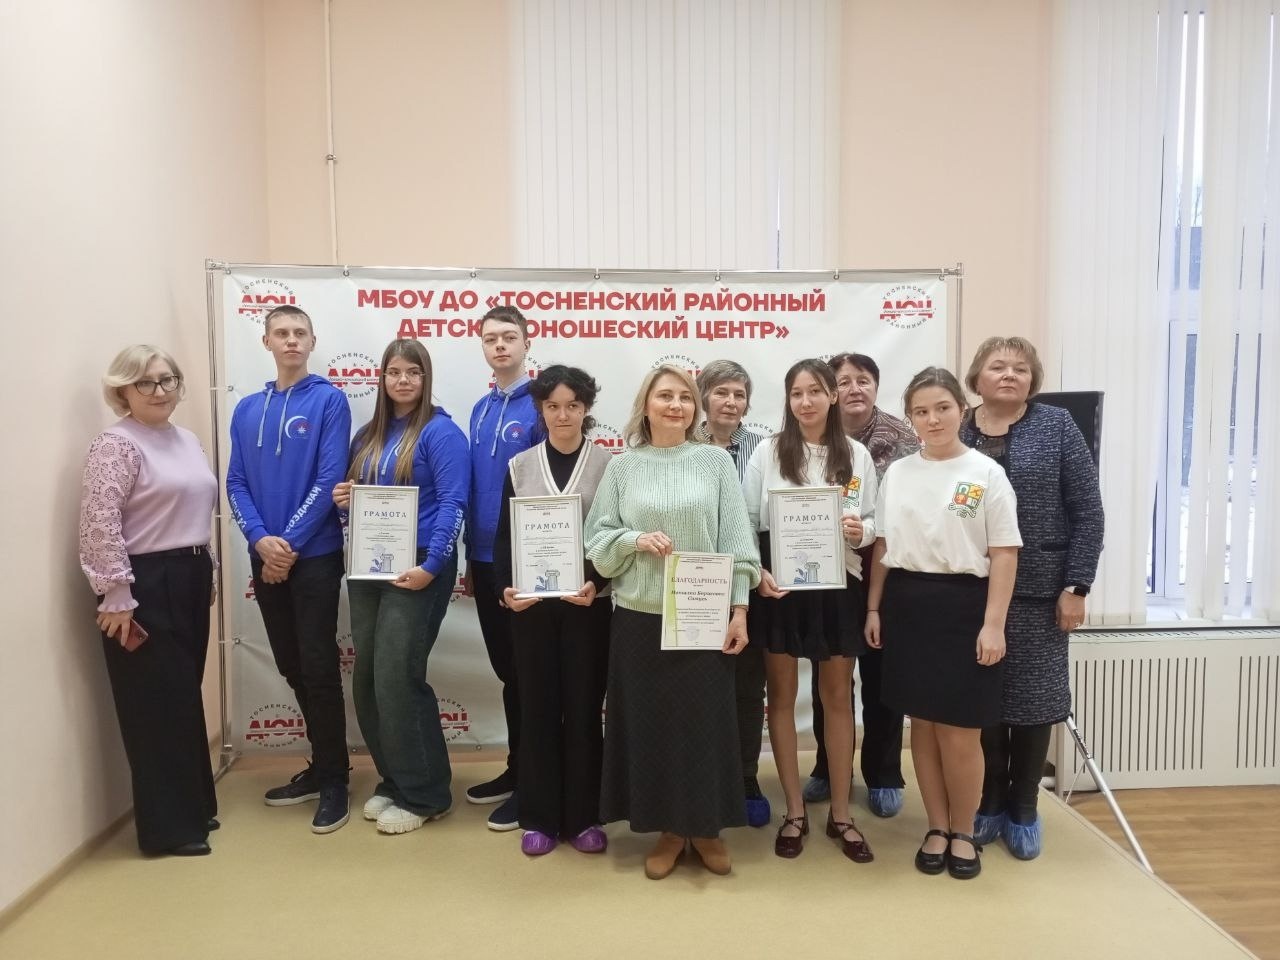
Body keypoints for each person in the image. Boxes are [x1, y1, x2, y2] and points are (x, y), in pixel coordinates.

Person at [585, 364, 761, 879]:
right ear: (646, 405)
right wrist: (633, 540)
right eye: (665, 396)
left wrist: (740, 609)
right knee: (652, 728)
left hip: (702, 617)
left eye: (685, 398)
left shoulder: (715, 463)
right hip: (639, 618)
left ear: (695, 409)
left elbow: (737, 541)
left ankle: (704, 829)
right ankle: (666, 829)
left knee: (704, 727)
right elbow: (598, 542)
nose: (676, 405)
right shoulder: (623, 467)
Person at [865, 366, 1021, 880]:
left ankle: (964, 830)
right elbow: (883, 545)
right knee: (924, 728)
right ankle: (935, 826)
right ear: (910, 418)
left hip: (965, 608)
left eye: (942, 408)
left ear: (962, 409)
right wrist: (873, 608)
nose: (932, 419)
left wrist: (994, 624)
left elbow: (1004, 553)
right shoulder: (898, 473)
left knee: (961, 732)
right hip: (907, 605)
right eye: (921, 411)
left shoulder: (985, 473)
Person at [960, 336, 1104, 860]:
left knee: (1034, 702)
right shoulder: (958, 428)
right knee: (984, 702)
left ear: (1032, 379)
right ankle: (990, 798)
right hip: (969, 593)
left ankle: (1023, 805)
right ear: (977, 377)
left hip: (1042, 594)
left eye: (1020, 368)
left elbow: (1088, 512)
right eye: (997, 366)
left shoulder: (1057, 426)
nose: (1009, 375)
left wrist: (1077, 586)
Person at [79, 345, 218, 856]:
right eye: (145, 382)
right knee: (153, 704)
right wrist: (116, 593)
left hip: (189, 573)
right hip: (141, 584)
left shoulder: (187, 440)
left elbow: (197, 513)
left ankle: (194, 808)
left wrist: (207, 572)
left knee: (182, 696)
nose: (159, 391)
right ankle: (167, 831)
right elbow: (100, 522)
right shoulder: (115, 445)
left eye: (167, 380)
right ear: (122, 390)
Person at [331, 339, 468, 834]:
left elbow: (453, 502)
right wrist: (344, 499)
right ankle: (395, 780)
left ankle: (427, 794)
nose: (403, 380)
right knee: (367, 679)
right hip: (369, 567)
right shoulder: (367, 436)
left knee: (396, 677)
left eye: (413, 371)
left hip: (419, 568)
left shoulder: (441, 432)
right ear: (382, 379)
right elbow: (356, 503)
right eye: (394, 372)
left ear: (425, 378)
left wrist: (432, 565)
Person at [226, 305, 353, 833]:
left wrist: (288, 546)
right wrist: (262, 542)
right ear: (267, 342)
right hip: (267, 557)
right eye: (281, 333)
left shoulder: (329, 400)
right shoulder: (246, 409)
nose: (292, 340)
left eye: (300, 333)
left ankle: (336, 780)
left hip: (315, 555)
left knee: (319, 666)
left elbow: (330, 479)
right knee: (292, 665)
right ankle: (321, 765)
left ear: (313, 341)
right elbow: (235, 482)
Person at [744, 359, 877, 862]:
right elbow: (748, 521)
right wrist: (758, 572)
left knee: (837, 698)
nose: (806, 401)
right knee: (781, 697)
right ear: (788, 399)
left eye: (816, 391)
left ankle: (841, 814)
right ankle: (794, 811)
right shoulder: (768, 451)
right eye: (797, 393)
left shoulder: (857, 454)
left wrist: (859, 530)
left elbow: (874, 522)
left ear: (833, 396)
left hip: (838, 585)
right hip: (780, 589)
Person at [493, 365, 614, 856]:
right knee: (538, 709)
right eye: (553, 406)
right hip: (533, 610)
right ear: (541, 411)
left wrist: (597, 581)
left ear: (586, 409)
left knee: (584, 709)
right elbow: (504, 537)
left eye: (573, 405)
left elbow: (616, 535)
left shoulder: (609, 466)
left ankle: (584, 816)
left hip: (588, 606)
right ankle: (539, 817)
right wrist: (506, 588)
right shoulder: (521, 465)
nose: (563, 415)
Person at [805, 353, 919, 816]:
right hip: (827, 575)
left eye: (864, 380)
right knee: (828, 678)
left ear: (876, 386)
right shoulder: (813, 435)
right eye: (844, 381)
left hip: (884, 570)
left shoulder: (904, 438)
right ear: (831, 392)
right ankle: (827, 767)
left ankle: (884, 771)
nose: (854, 388)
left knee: (880, 676)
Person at [464, 305, 542, 831]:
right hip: (485, 558)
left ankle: (535, 782)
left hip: (526, 559)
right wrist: (474, 556)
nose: (500, 346)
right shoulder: (478, 409)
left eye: (509, 337)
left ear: (526, 343)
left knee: (529, 675)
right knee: (509, 674)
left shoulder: (541, 404)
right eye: (491, 338)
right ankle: (518, 768)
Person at [694, 359, 769, 828]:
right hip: (694, 580)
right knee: (697, 683)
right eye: (722, 392)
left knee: (747, 685)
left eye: (739, 394)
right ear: (703, 396)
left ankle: (746, 777)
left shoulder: (764, 448)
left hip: (750, 579)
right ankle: (702, 776)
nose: (731, 402)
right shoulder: (682, 442)